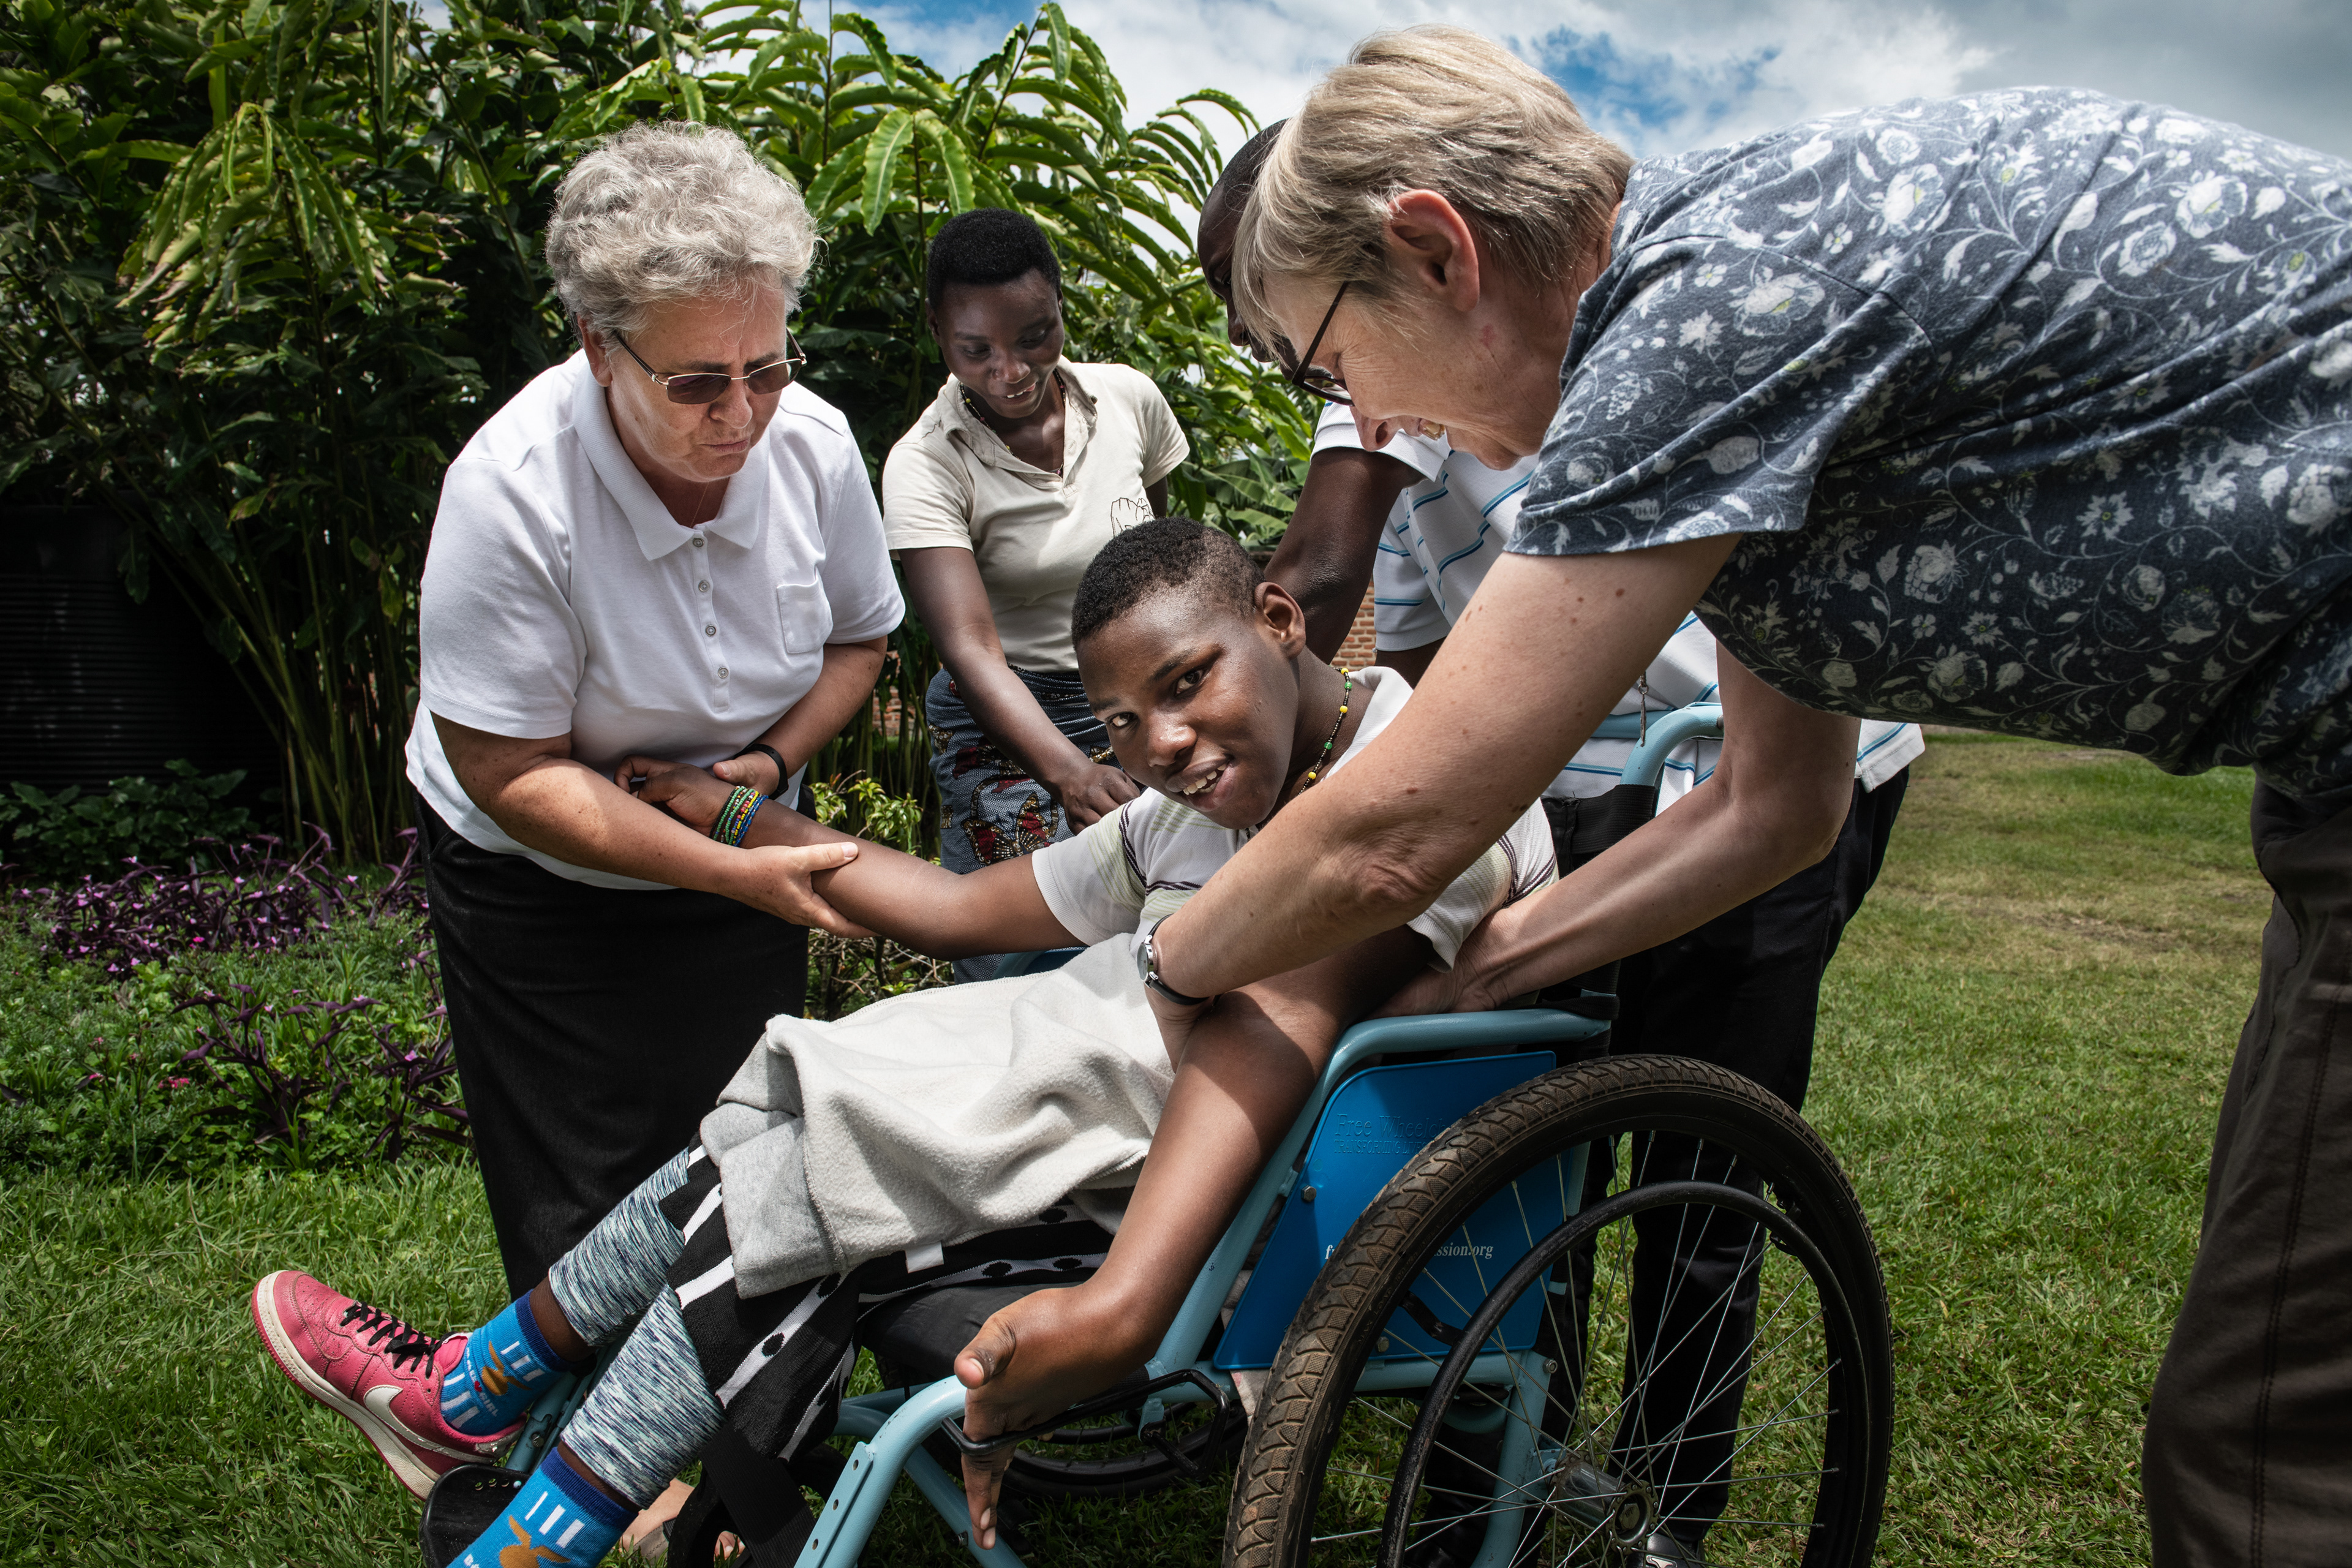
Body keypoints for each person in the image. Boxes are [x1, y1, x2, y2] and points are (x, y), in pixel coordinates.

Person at [1152, 26, 2352, 1565]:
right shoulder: (1725, 319)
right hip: (2321, 776)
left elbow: (1397, 827)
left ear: (1438, 252)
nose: (1370, 423)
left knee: (2262, 1449)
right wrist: (1488, 967)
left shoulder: (1693, 313)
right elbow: (1774, 806)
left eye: (1330, 365)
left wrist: (1166, 964)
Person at [252, 519, 1556, 1566]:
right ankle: (490, 1426)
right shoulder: (1183, 815)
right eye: (1119, 723)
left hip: (1248, 1210)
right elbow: (953, 908)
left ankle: (498, 1448)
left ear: (1279, 618)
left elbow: (1279, 1027)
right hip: (1119, 1143)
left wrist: (1121, 1306)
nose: (1162, 744)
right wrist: (735, 816)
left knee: (807, 1188)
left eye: (1187, 682)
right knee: (792, 1137)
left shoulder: (1414, 788)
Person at [1201, 130, 1920, 1554]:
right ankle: (1512, 1475)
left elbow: (1324, 567)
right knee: (1534, 1142)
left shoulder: (1542, 326)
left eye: (1291, 334)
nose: (1317, 385)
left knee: (1700, 1143)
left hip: (1758, 749)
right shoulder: (1389, 397)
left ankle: (1665, 1509)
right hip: (1588, 782)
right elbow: (1428, 680)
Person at [404, 123, 898, 1377]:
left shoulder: (815, 445)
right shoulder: (512, 491)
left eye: (767, 367)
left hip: (736, 838)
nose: (742, 414)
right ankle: (583, 1438)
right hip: (540, 875)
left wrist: (762, 773)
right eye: (696, 384)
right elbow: (510, 771)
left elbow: (859, 640)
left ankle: (733, 1417)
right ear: (598, 347)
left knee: (738, 1153)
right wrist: (733, 867)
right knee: (584, 1180)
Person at [883, 208, 1190, 981]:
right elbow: (970, 649)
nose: (1012, 371)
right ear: (937, 331)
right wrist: (1070, 772)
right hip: (1006, 719)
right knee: (1014, 949)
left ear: (1058, 302)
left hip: (1131, 698)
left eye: (1035, 337)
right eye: (976, 350)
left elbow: (1160, 565)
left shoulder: (1128, 400)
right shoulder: (926, 463)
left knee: (1157, 924)